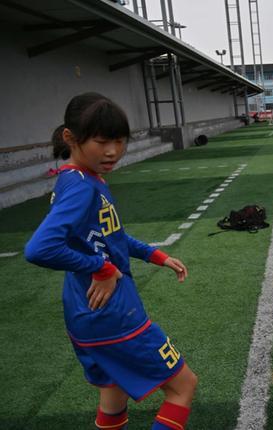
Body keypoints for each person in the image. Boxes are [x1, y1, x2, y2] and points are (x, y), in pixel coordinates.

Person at [24, 93, 197, 430]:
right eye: (102, 142)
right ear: (70, 138)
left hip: (82, 316)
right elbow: (39, 248)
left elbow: (110, 237)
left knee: (113, 392)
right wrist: (101, 268)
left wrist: (156, 255)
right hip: (114, 316)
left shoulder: (77, 178)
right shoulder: (83, 188)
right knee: (183, 386)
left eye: (120, 142)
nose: (112, 152)